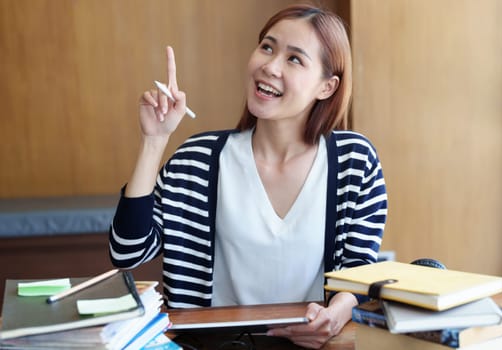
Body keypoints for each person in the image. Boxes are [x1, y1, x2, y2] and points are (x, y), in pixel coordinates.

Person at [109, 4, 387, 348]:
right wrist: (154, 142)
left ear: (326, 87)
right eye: (267, 47)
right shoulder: (198, 159)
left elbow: (360, 269)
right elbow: (127, 252)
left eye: (294, 59)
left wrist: (337, 313)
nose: (270, 66)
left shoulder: (354, 160)